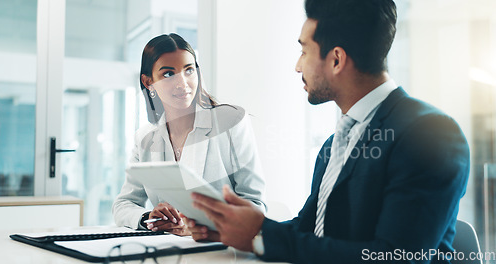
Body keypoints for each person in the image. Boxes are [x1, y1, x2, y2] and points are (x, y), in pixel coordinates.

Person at [186, 0, 470, 263]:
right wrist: (229, 229)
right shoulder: (335, 143)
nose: (298, 67)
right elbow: (309, 230)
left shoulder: (430, 134)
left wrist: (261, 236)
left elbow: (394, 256)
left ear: (336, 60)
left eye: (304, 51)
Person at [112, 33, 266, 236]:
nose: (182, 83)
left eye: (189, 70)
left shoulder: (231, 123)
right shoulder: (145, 139)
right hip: (166, 250)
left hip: (218, 250)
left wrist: (202, 225)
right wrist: (149, 218)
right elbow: (124, 204)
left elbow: (255, 205)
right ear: (148, 82)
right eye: (168, 74)